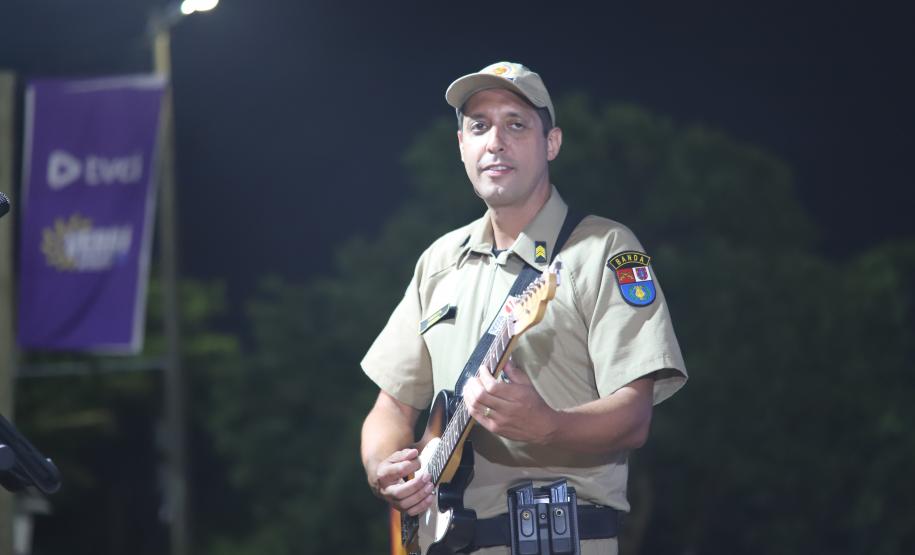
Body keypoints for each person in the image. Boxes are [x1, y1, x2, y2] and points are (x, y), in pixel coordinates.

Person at [360, 61, 687, 555]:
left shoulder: (603, 247)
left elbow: (635, 415)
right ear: (462, 147)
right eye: (479, 126)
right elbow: (390, 405)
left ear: (551, 143)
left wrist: (550, 425)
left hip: (559, 539)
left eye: (516, 124)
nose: (495, 141)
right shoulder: (439, 262)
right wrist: (385, 469)